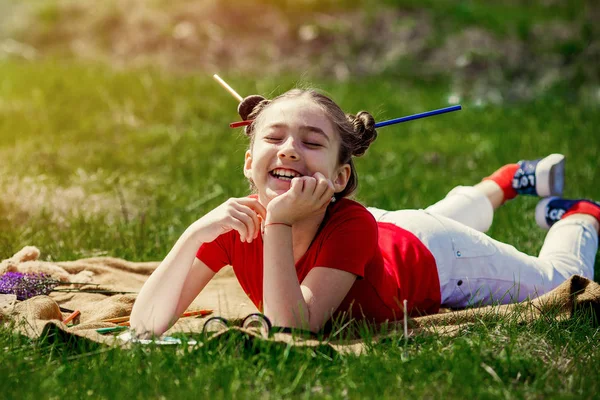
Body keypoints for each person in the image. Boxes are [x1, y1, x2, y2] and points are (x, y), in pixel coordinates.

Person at [130, 89, 600, 338]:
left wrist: (276, 223)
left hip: (442, 261)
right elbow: (145, 324)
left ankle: (580, 213)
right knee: (437, 213)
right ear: (249, 162)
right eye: (273, 139)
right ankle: (503, 182)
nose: (290, 150)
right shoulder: (233, 224)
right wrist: (194, 233)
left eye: (312, 143)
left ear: (338, 178)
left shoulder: (349, 223)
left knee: (559, 279)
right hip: (400, 230)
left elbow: (291, 329)